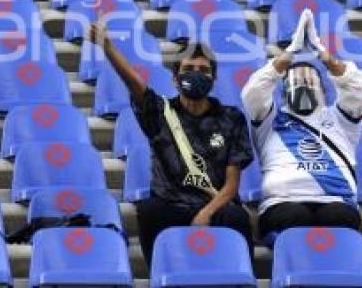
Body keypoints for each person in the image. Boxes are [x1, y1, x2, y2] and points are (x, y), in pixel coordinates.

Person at [86, 23, 254, 266]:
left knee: (237, 217)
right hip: (171, 203)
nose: (196, 74)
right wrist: (108, 47)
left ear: (214, 78)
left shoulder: (231, 117)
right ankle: (162, 275)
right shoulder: (160, 113)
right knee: (148, 211)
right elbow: (135, 84)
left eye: (203, 70)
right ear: (175, 78)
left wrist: (205, 214)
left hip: (215, 204)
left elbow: (232, 185)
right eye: (188, 68)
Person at [241, 9, 362, 240]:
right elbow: (253, 92)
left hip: (336, 200)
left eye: (309, 79)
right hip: (282, 202)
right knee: (294, 216)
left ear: (323, 89)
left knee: (338, 217)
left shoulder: (339, 118)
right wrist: (290, 52)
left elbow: (357, 92)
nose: (302, 84)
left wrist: (324, 54)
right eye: (296, 79)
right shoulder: (271, 119)